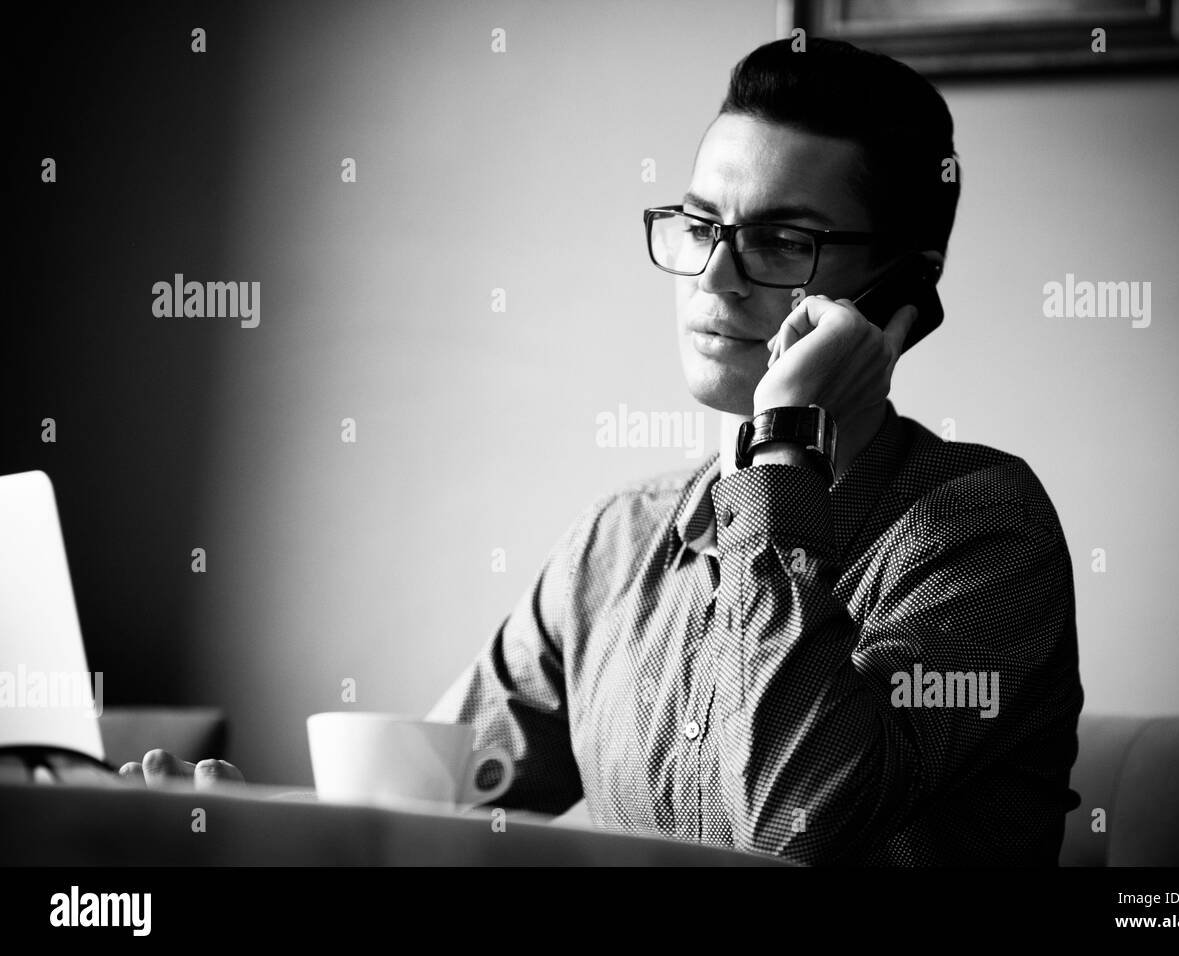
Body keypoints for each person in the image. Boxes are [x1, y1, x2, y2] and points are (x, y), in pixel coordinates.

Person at [124, 37, 1085, 867]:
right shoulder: (617, 546)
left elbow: (795, 820)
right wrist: (255, 833)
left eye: (783, 241)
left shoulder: (983, 529)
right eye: (700, 225)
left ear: (898, 290)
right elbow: (431, 813)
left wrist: (786, 439)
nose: (714, 276)